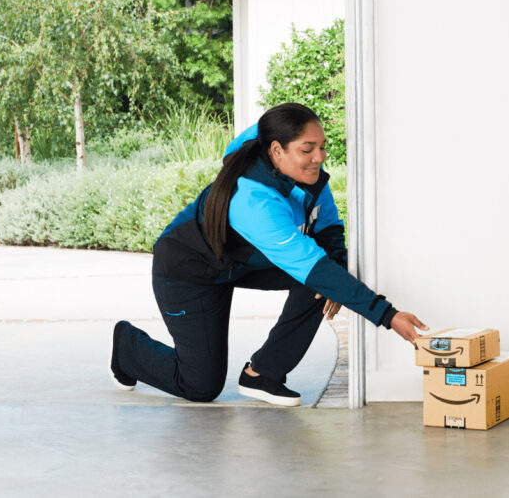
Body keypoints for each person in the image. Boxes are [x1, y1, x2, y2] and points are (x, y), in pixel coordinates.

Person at [110, 102, 427, 406]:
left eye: (322, 147)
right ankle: (127, 347)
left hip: (242, 263)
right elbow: (313, 265)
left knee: (322, 283)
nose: (319, 157)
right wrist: (388, 315)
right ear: (277, 150)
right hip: (188, 270)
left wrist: (337, 275)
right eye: (307, 149)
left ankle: (262, 374)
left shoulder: (307, 177)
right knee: (200, 386)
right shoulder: (254, 202)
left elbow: (329, 230)